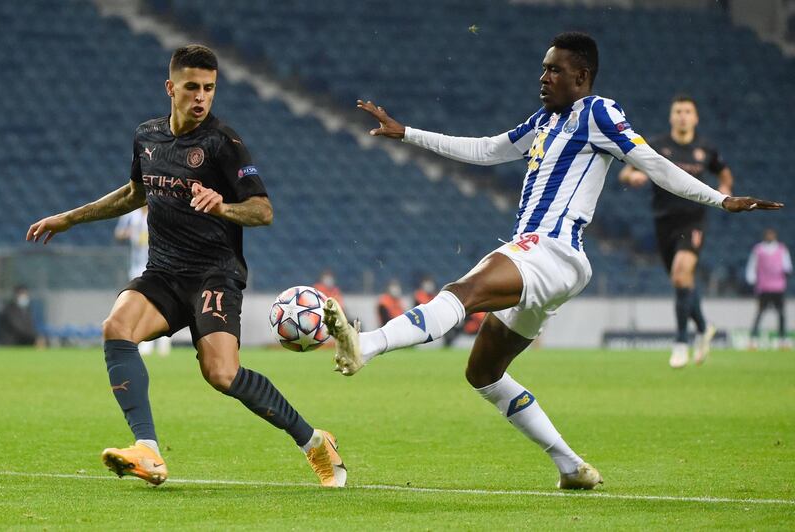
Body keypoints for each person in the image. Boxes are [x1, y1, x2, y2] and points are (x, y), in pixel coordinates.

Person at [323, 32, 782, 490]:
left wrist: (720, 200)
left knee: (462, 293)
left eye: (554, 69)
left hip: (550, 249)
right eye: (544, 68)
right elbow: (487, 150)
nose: (543, 77)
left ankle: (368, 345)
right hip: (548, 262)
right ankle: (570, 466)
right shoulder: (544, 120)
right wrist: (408, 133)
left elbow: (652, 162)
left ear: (581, 76)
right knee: (483, 372)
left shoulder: (598, 112)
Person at [26, 44, 346, 488]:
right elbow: (134, 193)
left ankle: (314, 442)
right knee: (116, 327)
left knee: (221, 374)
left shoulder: (223, 144)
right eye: (192, 87)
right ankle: (148, 452)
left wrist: (223, 209)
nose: (201, 97)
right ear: (170, 87)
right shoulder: (147, 136)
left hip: (215, 272)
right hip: (164, 272)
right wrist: (70, 217)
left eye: (209, 89)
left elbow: (263, 211)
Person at [619, 95, 735, 368]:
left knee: (682, 274)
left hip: (693, 220)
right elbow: (626, 173)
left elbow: (725, 175)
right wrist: (633, 176)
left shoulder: (706, 149)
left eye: (688, 112)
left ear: (695, 118)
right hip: (664, 221)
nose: (683, 116)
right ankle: (704, 327)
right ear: (671, 117)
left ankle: (681, 341)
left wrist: (726, 191)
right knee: (681, 281)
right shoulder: (657, 145)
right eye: (678, 111)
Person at [114, 205, 171, 356]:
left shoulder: (158, 211)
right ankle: (146, 342)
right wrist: (129, 233)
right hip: (137, 266)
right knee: (140, 305)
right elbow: (118, 233)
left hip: (159, 266)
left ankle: (164, 342)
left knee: (159, 303)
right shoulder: (131, 214)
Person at [746, 228, 792, 349]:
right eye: (768, 235)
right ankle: (753, 339)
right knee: (760, 313)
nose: (770, 236)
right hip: (764, 286)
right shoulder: (758, 249)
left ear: (775, 236)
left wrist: (785, 273)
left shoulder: (782, 249)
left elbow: (787, 266)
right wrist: (752, 280)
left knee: (781, 314)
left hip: (778, 287)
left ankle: (783, 340)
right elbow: (752, 266)